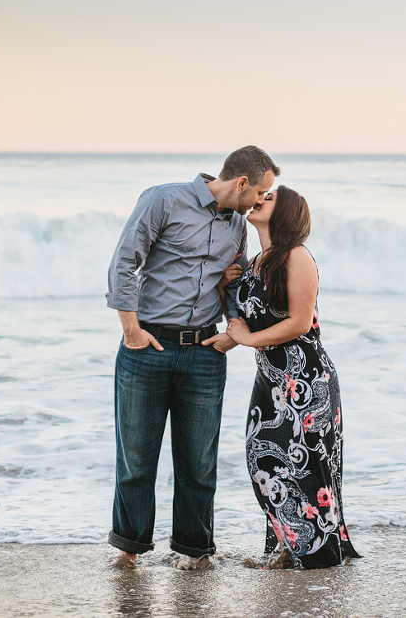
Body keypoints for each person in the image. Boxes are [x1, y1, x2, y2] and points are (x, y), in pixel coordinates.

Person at [105, 146, 279, 570]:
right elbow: (125, 262)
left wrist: (233, 333)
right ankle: (129, 551)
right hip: (147, 348)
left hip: (204, 353)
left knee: (199, 464)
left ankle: (195, 552)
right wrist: (131, 329)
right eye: (259, 192)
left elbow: (234, 284)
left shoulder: (237, 226)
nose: (260, 201)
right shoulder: (163, 200)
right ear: (241, 182)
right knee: (136, 460)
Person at [225, 185, 359, 569]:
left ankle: (315, 555)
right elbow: (240, 323)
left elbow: (299, 323)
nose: (257, 200)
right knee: (261, 461)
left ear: (285, 213)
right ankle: (292, 545)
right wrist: (225, 286)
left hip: (306, 380)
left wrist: (247, 339)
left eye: (268, 199)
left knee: (307, 467)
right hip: (270, 382)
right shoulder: (254, 265)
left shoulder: (297, 257)